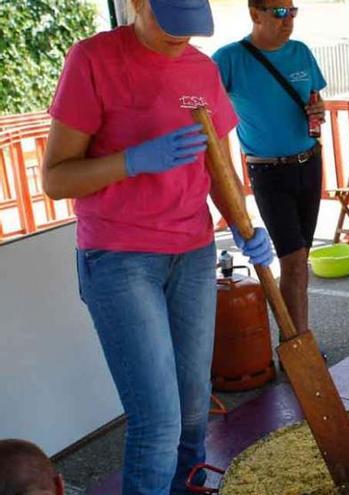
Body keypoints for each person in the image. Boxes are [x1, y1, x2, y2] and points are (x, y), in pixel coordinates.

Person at [41, 0, 273, 493]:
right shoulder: (92, 60)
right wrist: (132, 161)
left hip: (193, 252)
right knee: (159, 421)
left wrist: (247, 228)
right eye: (172, 24)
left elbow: (220, 170)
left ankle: (186, 487)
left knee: (193, 410)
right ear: (137, 3)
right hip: (119, 258)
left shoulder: (202, 70)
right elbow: (56, 179)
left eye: (193, 28)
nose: (182, 39)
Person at [213, 0, 326, 336]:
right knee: (291, 260)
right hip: (268, 172)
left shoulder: (302, 52)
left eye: (292, 12)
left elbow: (316, 101)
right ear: (254, 14)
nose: (287, 20)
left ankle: (296, 338)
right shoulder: (229, 59)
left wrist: (318, 111)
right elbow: (204, 110)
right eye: (278, 12)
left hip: (309, 162)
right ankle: (297, 345)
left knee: (300, 261)